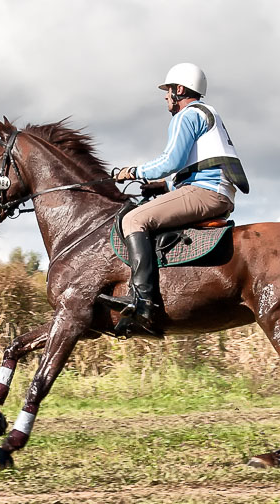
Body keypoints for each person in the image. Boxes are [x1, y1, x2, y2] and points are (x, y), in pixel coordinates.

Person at [98, 63, 249, 328]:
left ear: (179, 90)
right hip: (212, 190)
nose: (165, 96)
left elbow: (170, 161)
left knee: (133, 221)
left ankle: (141, 301)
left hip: (206, 192)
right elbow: (193, 163)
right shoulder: (206, 113)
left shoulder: (187, 115)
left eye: (168, 90)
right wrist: (166, 188)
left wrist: (132, 171)